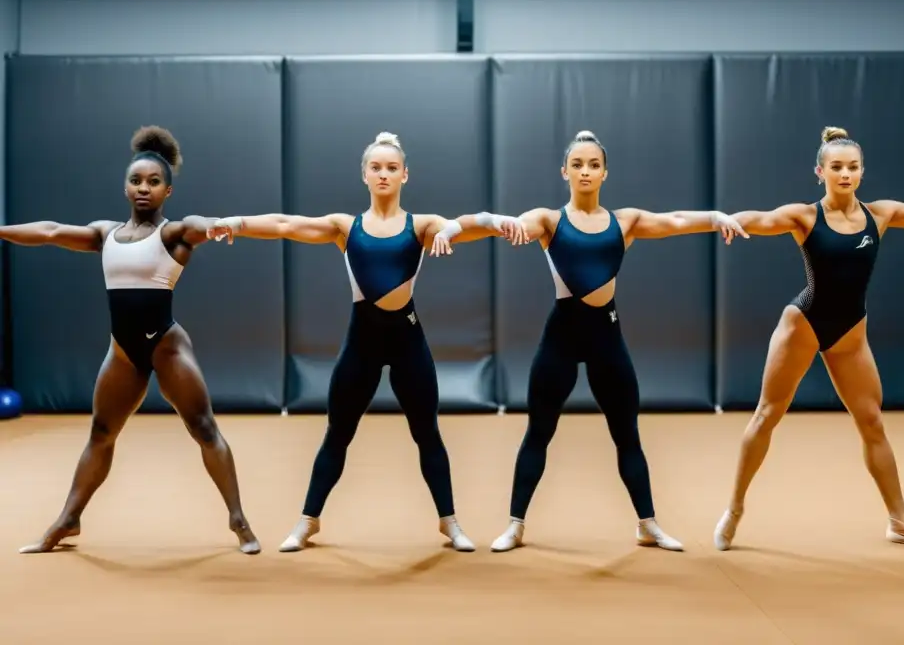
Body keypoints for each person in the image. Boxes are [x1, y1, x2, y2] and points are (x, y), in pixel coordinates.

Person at [208, 131, 527, 553]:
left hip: (407, 341)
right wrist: (238, 224)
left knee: (427, 433)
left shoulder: (421, 226)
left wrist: (494, 222)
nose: (383, 174)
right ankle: (308, 521)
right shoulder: (346, 227)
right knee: (338, 433)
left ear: (405, 175)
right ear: (364, 175)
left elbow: (465, 224)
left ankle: (449, 522)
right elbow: (287, 225)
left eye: (391, 168)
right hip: (362, 342)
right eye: (375, 167)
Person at [713, 125, 904, 553]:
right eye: (836, 167)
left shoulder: (880, 213)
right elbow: (760, 220)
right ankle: (734, 508)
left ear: (862, 172)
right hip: (803, 324)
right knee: (767, 414)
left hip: (851, 333)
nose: (845, 173)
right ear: (819, 171)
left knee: (872, 422)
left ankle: (900, 520)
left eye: (852, 167)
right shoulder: (804, 216)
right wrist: (728, 220)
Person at [5, 126, 261, 555]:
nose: (144, 188)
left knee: (203, 428)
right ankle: (68, 520)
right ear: (125, 187)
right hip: (123, 352)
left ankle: (238, 519)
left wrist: (216, 226)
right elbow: (50, 231)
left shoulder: (173, 234)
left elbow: (196, 226)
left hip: (167, 346)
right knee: (101, 431)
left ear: (168, 191)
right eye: (137, 181)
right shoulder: (106, 234)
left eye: (154, 182)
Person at [489, 130, 747, 553]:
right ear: (565, 172)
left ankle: (647, 524)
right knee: (539, 431)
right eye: (578, 165)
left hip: (607, 338)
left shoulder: (624, 222)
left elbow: (677, 220)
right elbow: (521, 224)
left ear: (605, 172)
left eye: (593, 165)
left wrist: (716, 217)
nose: (586, 171)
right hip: (561, 338)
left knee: (627, 435)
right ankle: (515, 525)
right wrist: (508, 225)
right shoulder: (550, 221)